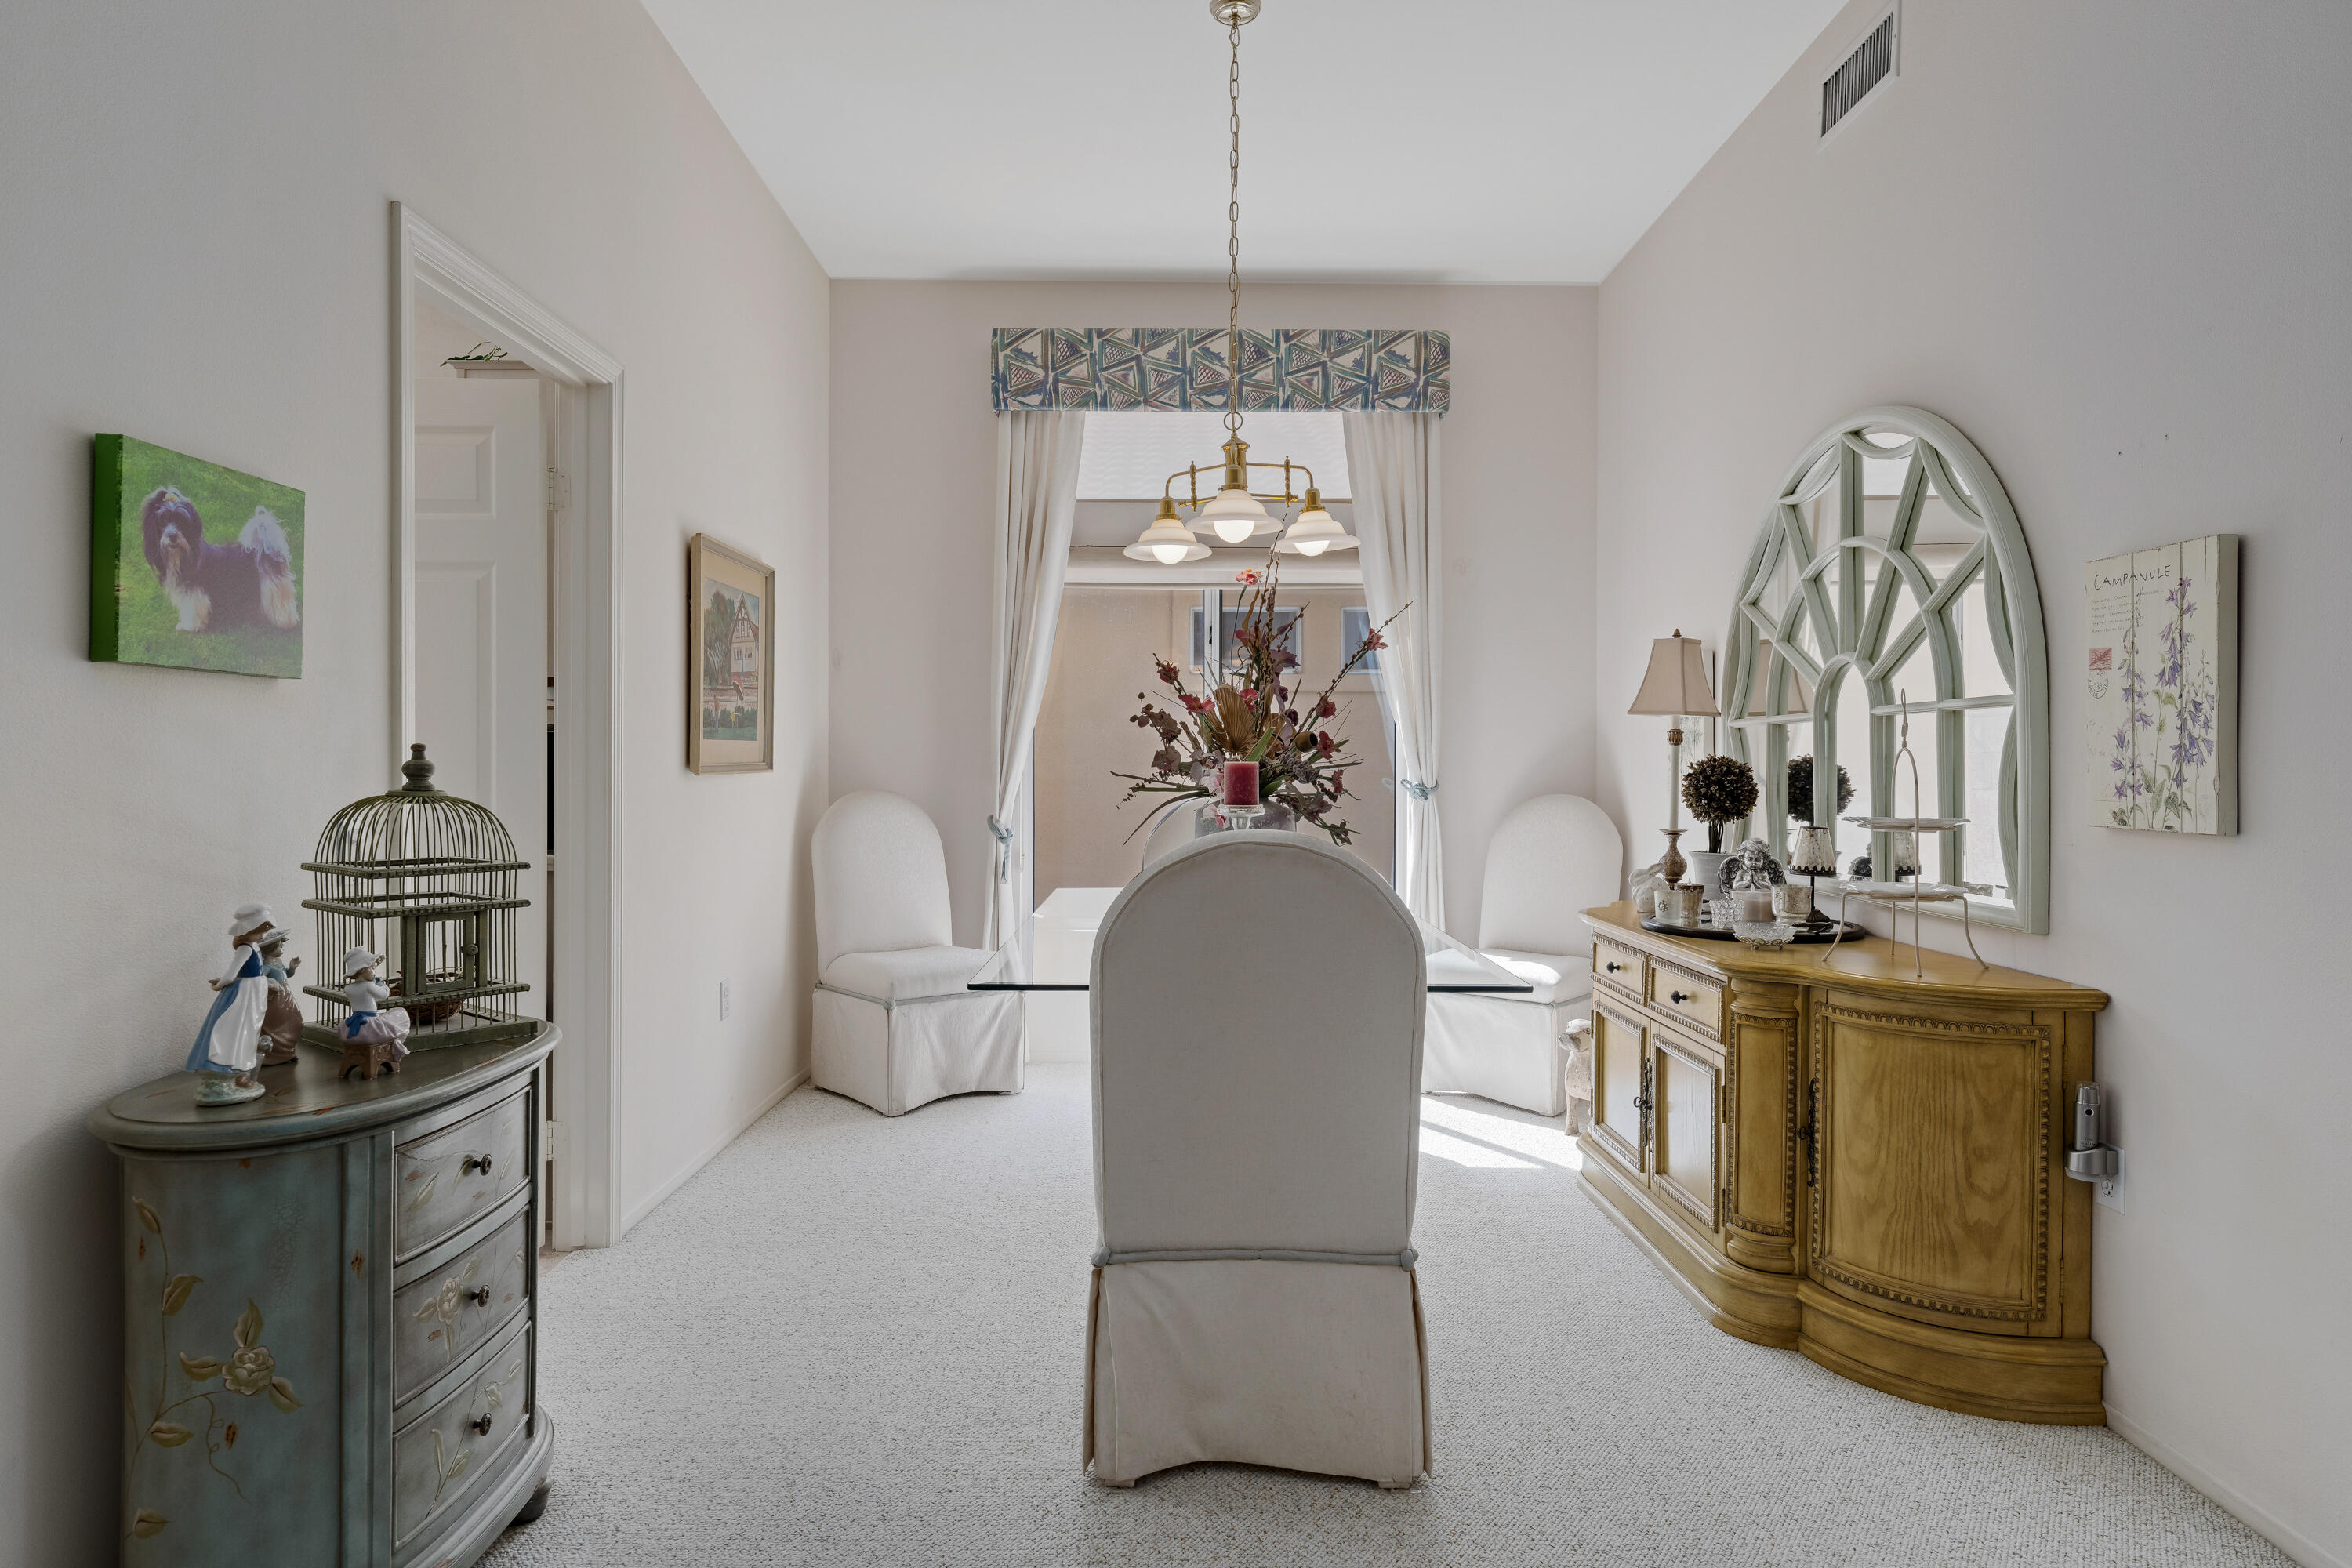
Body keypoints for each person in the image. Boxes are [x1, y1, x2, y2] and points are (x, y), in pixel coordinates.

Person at [187, 904, 277, 1105]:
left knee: (248, 1031)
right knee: (235, 1030)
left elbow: (242, 974)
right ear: (248, 930)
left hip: (251, 992)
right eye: (260, 931)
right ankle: (226, 1071)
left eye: (265, 931)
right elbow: (232, 973)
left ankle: (240, 1073)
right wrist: (220, 984)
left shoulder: (253, 947)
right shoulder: (245, 948)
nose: (263, 935)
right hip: (243, 996)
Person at [341, 949, 413, 1058]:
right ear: (362, 970)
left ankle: (394, 1044)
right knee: (401, 1013)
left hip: (353, 1025)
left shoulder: (348, 988)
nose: (375, 972)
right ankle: (394, 1046)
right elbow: (385, 995)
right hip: (371, 1025)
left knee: (395, 1025)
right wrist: (382, 984)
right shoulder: (369, 986)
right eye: (372, 968)